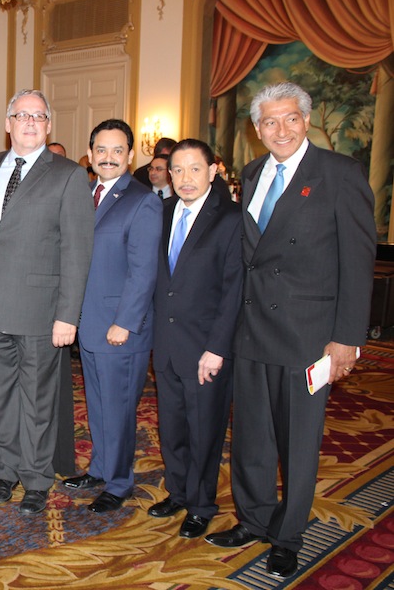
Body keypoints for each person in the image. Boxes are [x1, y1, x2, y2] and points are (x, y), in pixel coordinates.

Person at [205, 82, 375, 579]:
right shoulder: (253, 172)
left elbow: (357, 262)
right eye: (270, 122)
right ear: (257, 130)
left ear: (306, 120)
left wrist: (348, 338)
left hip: (308, 334)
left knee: (297, 442)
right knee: (252, 436)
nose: (281, 130)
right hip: (253, 328)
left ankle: (287, 535)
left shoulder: (339, 174)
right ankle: (254, 519)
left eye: (291, 119)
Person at [0, 89, 95, 515]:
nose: (29, 122)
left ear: (48, 125)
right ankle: (5, 471)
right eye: (21, 115)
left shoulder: (68, 174)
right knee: (1, 398)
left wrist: (68, 315)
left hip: (42, 312)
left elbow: (77, 251)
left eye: (38, 116)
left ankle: (37, 478)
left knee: (38, 401)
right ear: (7, 123)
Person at [64, 119, 161, 514]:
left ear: (130, 155)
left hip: (120, 328)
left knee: (118, 409)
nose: (108, 157)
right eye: (101, 150)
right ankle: (101, 468)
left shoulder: (142, 200)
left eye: (117, 150)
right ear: (89, 155)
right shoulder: (86, 194)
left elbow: (144, 271)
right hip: (90, 324)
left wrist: (125, 322)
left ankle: (119, 482)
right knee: (100, 404)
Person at [149, 138, 243, 539]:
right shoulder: (162, 211)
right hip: (166, 344)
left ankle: (202, 504)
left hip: (206, 348)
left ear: (212, 171)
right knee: (172, 427)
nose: (185, 178)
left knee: (204, 430)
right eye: (178, 170)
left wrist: (217, 348)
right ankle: (178, 492)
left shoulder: (231, 219)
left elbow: (234, 289)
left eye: (194, 169)